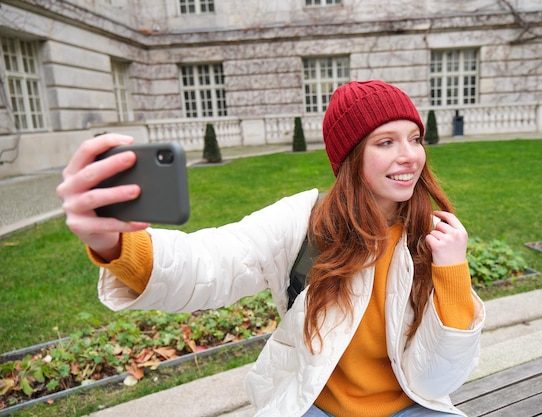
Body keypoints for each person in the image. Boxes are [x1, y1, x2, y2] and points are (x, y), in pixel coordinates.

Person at [57, 80, 485, 417]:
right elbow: (213, 261)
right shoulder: (304, 223)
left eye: (415, 138)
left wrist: (452, 273)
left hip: (410, 407)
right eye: (386, 142)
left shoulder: (434, 238)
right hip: (315, 406)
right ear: (351, 157)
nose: (410, 155)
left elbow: (436, 381)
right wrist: (114, 242)